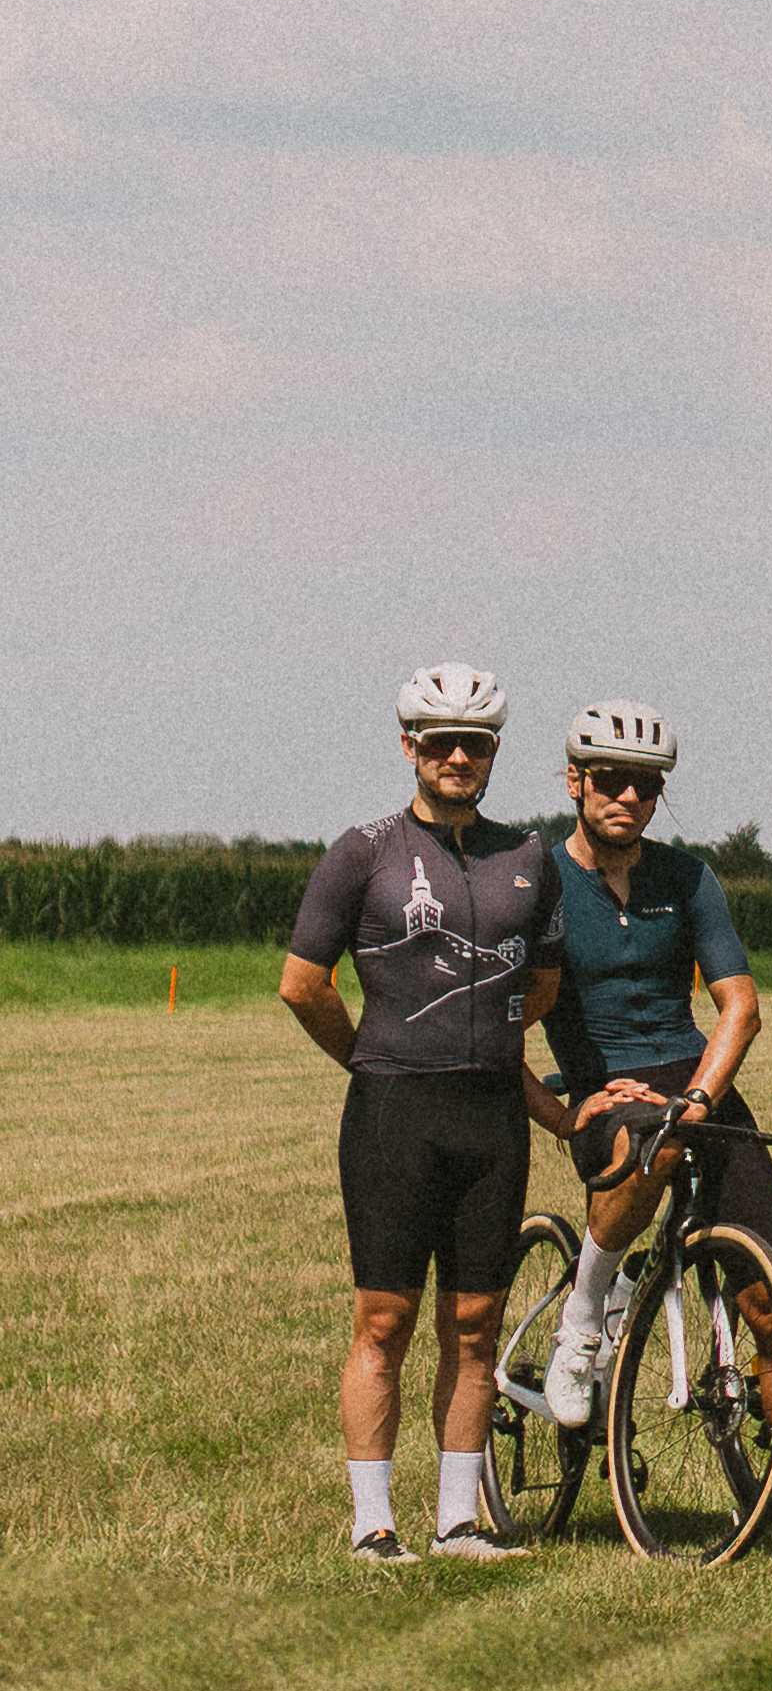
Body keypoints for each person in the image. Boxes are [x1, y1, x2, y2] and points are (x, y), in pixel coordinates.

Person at [531, 701, 772, 1554]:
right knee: (651, 1144)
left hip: (698, 1086)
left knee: (769, 1301)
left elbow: (739, 1006)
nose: (627, 796)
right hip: (606, 1090)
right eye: (609, 780)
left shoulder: (688, 877)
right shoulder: (539, 880)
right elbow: (496, 1019)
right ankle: (583, 1318)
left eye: (644, 784)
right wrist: (562, 1113)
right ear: (575, 781)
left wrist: (703, 1097)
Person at [280, 665, 567, 1564]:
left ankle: (457, 1523)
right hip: (392, 1112)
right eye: (438, 741)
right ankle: (373, 1527)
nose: (456, 757)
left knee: (476, 1323)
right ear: (407, 745)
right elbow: (303, 985)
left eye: (473, 744)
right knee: (384, 1321)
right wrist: (369, 1056)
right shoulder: (362, 850)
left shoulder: (530, 855)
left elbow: (545, 985)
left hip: (491, 1119)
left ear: (491, 755)